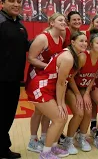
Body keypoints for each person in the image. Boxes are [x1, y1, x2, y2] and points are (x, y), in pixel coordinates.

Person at [26, 31, 87, 158]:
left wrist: (61, 104)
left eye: (86, 41)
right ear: (73, 42)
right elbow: (60, 83)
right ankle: (45, 153)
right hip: (41, 87)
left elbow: (63, 83)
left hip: (49, 87)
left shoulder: (74, 55)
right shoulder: (68, 57)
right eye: (81, 40)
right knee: (59, 118)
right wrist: (60, 104)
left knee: (63, 116)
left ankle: (53, 147)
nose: (84, 43)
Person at [26, 13, 65, 153]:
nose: (63, 22)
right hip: (36, 77)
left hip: (48, 78)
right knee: (38, 111)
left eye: (64, 20)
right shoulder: (43, 38)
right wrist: (49, 66)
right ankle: (32, 140)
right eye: (60, 20)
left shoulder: (60, 38)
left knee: (45, 111)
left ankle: (43, 137)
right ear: (52, 22)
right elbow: (31, 58)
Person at [63, 28, 98, 153]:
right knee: (79, 113)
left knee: (88, 111)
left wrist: (86, 93)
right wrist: (78, 94)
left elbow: (93, 77)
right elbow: (69, 77)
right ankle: (68, 141)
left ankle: (81, 138)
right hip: (70, 87)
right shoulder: (82, 57)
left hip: (83, 88)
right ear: (91, 44)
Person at [0, 0, 30, 159]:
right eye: (11, 1)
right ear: (2, 3)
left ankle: (3, 148)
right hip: (1, 80)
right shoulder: (1, 22)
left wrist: (46, 39)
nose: (16, 4)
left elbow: (25, 46)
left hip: (13, 80)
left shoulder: (18, 24)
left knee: (6, 117)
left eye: (18, 1)